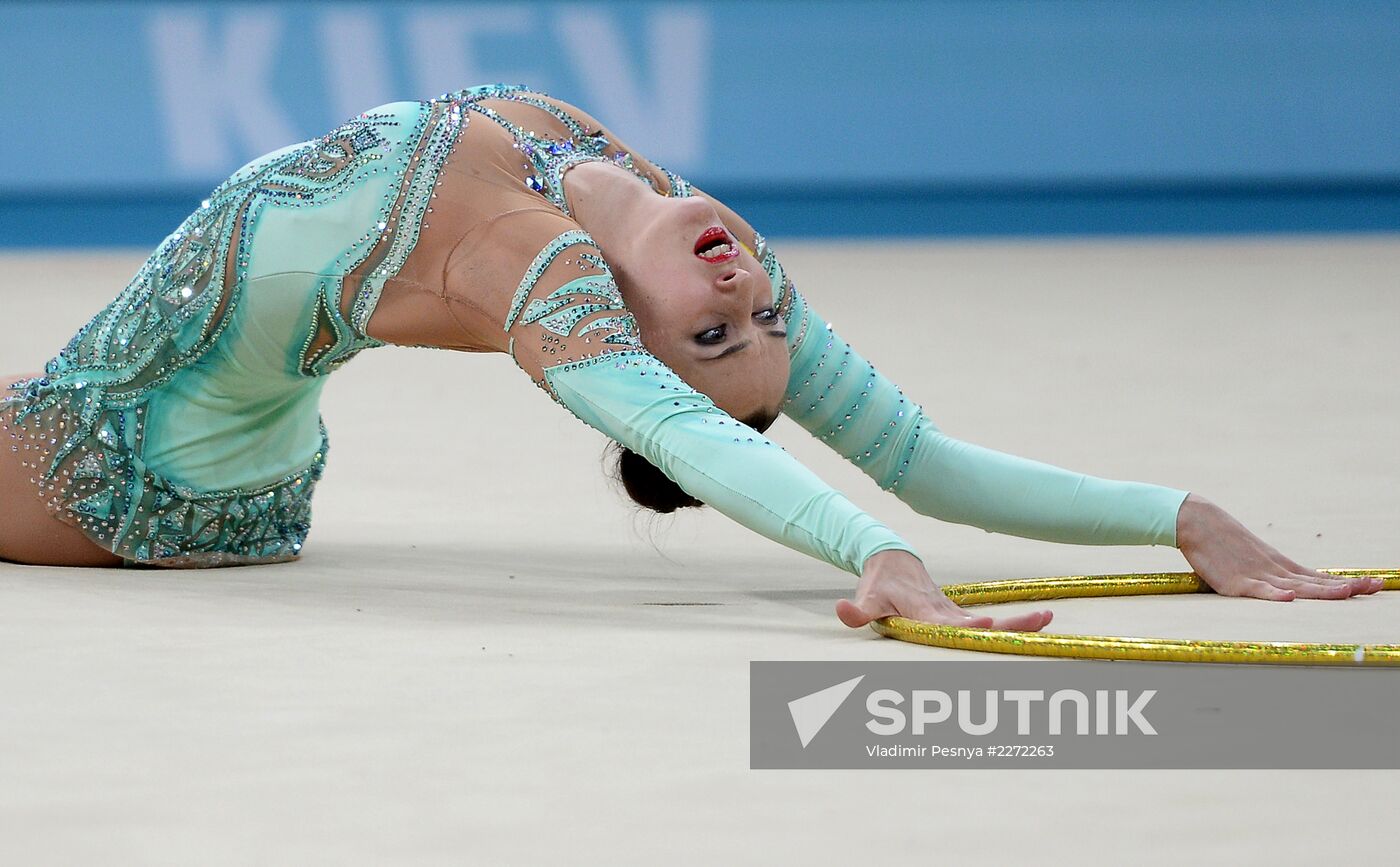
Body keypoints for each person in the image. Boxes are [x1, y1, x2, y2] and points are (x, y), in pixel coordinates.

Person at [0, 84, 1380, 631]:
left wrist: (873, 560)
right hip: (241, 451)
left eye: (715, 335)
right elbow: (926, 459)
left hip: (115, 470)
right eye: (758, 322)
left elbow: (701, 439)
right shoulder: (661, 205)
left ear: (612, 328)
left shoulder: (531, 264)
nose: (746, 293)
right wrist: (1180, 515)